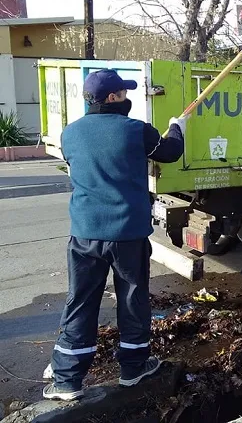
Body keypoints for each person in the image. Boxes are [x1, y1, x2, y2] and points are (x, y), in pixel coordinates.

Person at [42, 69, 186, 400]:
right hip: (128, 236)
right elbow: (170, 152)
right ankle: (133, 368)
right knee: (133, 298)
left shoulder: (70, 134)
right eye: (123, 92)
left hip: (85, 235)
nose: (127, 97)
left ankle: (67, 380)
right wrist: (178, 127)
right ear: (112, 98)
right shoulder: (136, 131)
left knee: (80, 301)